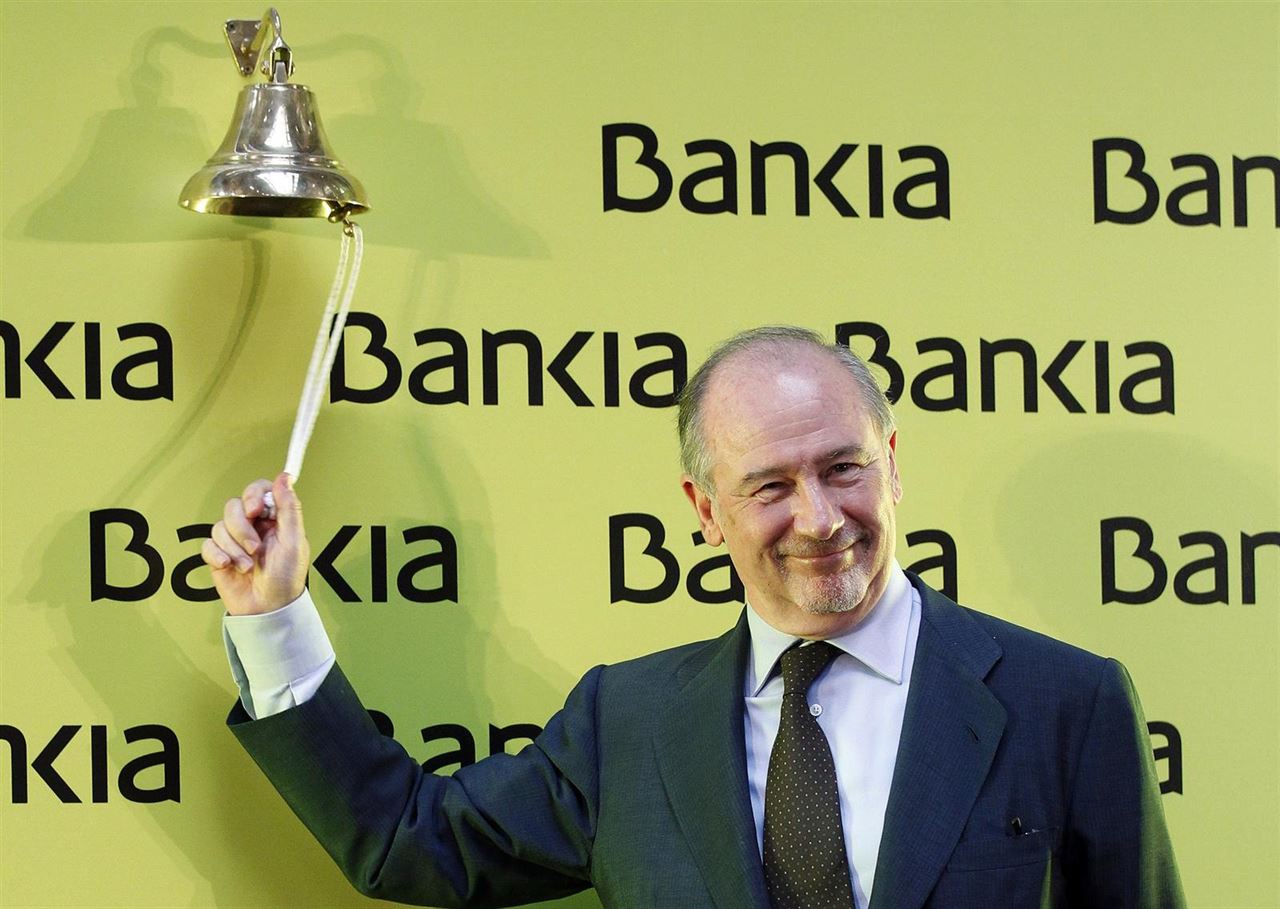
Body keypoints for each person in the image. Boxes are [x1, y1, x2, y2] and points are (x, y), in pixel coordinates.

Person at [204, 326, 1185, 909]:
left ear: (891, 463)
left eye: (843, 467)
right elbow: (408, 841)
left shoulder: (1068, 703)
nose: (819, 518)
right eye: (770, 485)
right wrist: (273, 617)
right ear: (705, 510)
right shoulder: (624, 724)